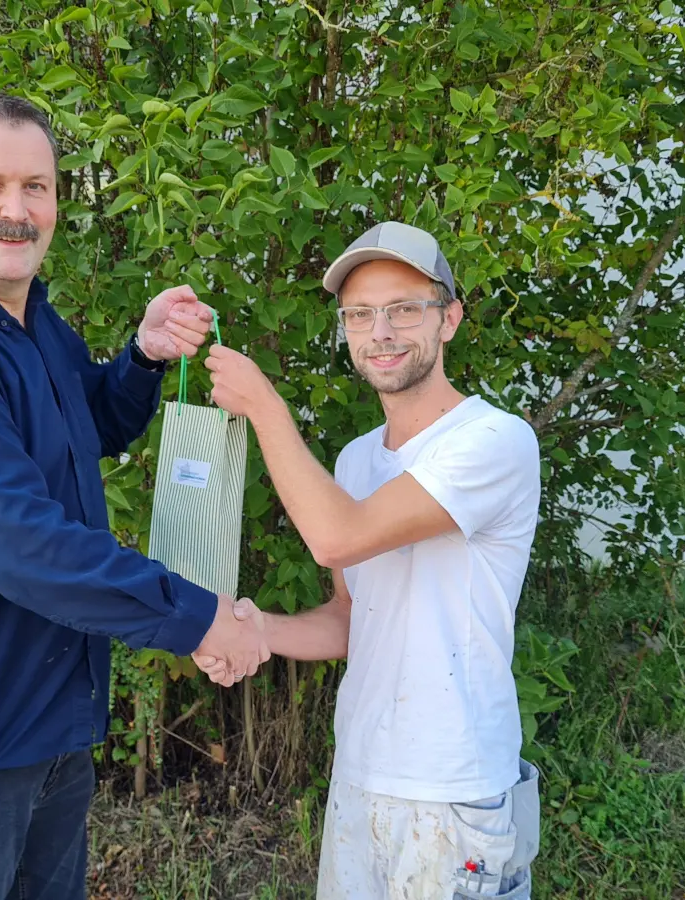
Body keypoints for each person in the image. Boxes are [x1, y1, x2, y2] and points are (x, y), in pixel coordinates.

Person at [0, 91, 269, 900]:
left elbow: (83, 429)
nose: (17, 210)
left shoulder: (32, 321)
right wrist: (201, 617)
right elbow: (19, 539)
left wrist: (140, 359)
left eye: (37, 186)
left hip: (46, 730)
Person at [195, 221, 544, 899]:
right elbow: (351, 615)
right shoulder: (357, 460)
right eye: (360, 314)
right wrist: (255, 630)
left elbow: (337, 538)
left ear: (450, 319)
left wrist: (266, 409)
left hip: (454, 792)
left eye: (404, 308)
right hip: (361, 776)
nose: (380, 331)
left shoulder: (494, 442)